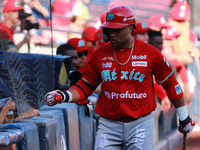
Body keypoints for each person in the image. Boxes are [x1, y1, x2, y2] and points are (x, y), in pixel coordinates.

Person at [44, 5, 195, 149]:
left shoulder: (150, 53)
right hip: (108, 124)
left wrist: (184, 117)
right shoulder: (99, 55)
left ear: (130, 28)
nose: (111, 34)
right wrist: (63, 95)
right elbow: (85, 86)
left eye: (117, 29)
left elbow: (170, 84)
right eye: (109, 29)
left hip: (140, 123)